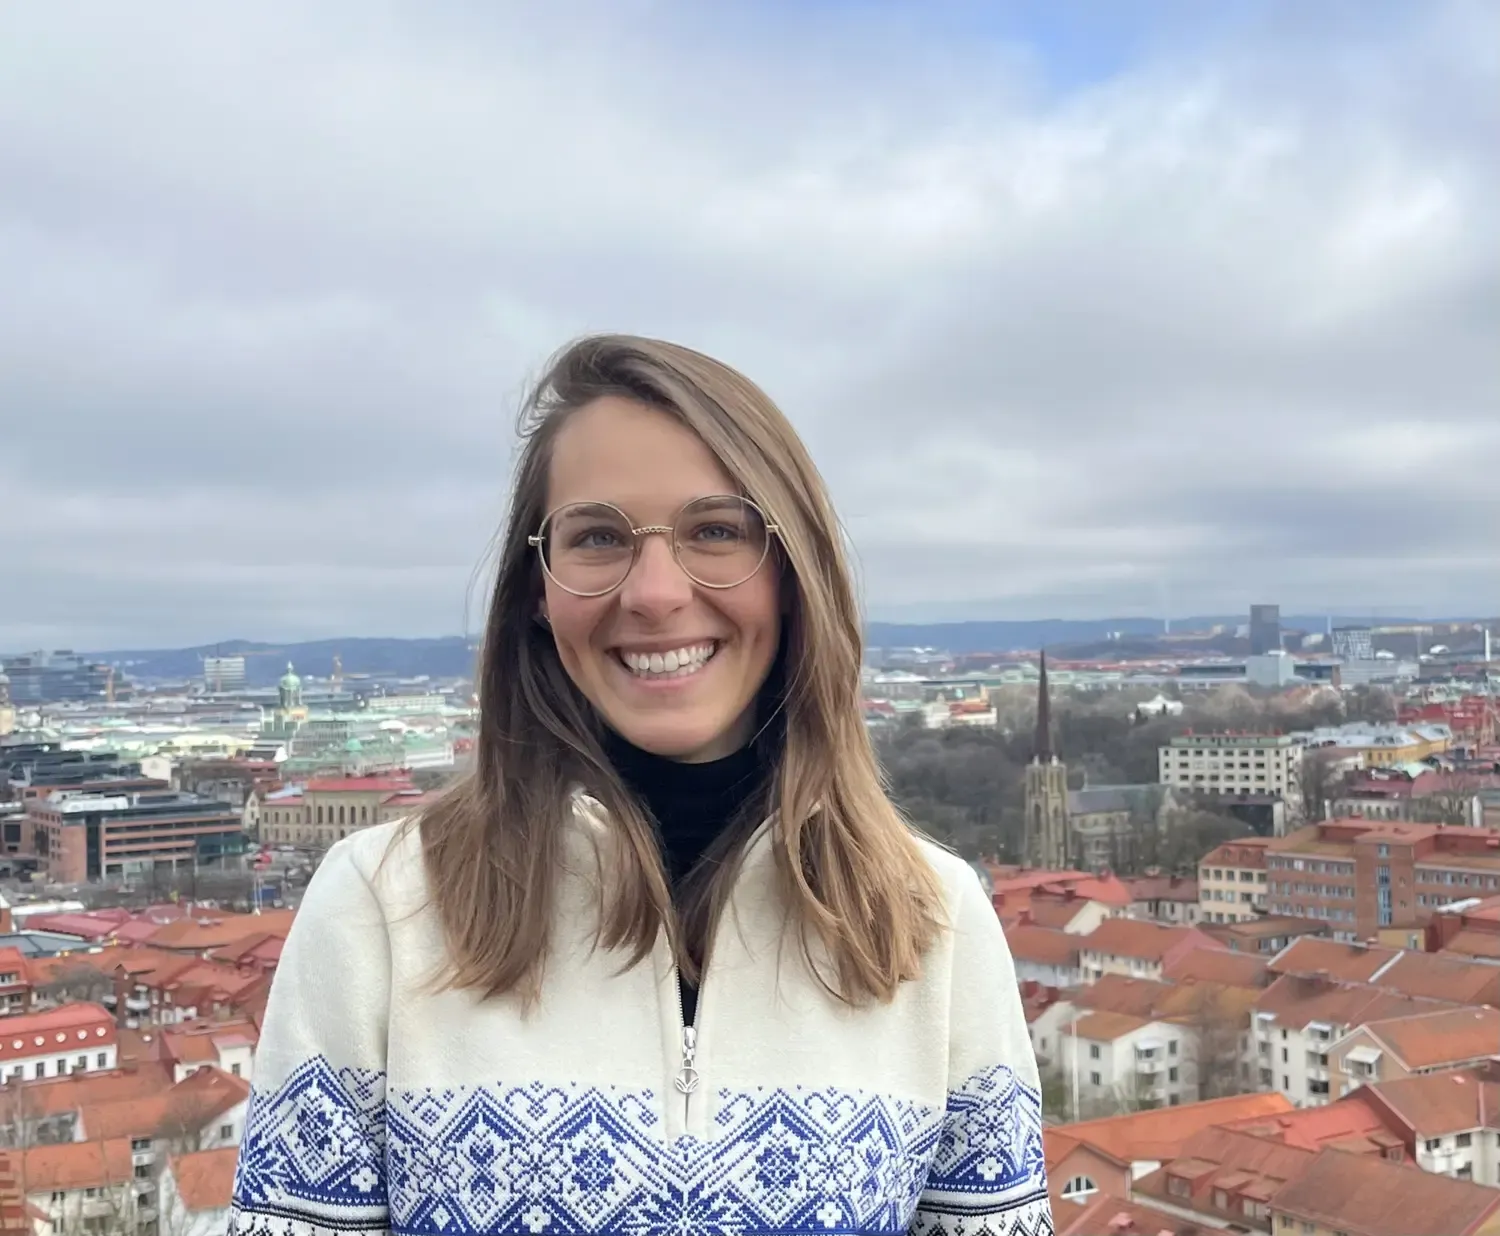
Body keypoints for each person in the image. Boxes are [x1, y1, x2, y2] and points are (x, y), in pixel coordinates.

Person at [228, 335, 1051, 1236]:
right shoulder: (382, 907)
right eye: (597, 538)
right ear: (536, 593)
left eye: (715, 530)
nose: (656, 591)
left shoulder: (932, 918)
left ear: (791, 572)